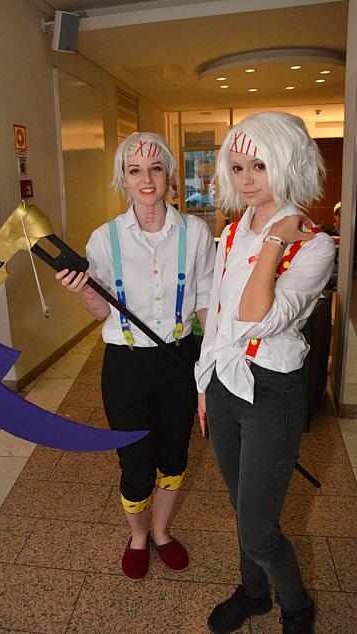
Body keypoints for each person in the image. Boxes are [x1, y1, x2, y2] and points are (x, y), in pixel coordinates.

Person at [196, 112, 335, 634]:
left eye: (260, 165)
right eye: (237, 168)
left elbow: (255, 315)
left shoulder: (313, 244)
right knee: (242, 507)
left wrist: (275, 240)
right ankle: (253, 593)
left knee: (258, 529)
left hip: (272, 388)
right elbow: (219, 315)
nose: (247, 179)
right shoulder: (232, 232)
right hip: (223, 383)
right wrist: (203, 384)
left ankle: (296, 605)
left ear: (288, 163)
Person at [56, 131, 216, 580]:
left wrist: (213, 358)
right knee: (135, 464)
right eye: (135, 170)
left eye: (155, 168)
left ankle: (161, 531)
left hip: (180, 359)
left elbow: (207, 299)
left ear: (169, 175)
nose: (146, 179)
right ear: (123, 179)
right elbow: (100, 310)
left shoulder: (195, 232)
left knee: (175, 454)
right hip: (125, 364)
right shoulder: (104, 238)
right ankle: (139, 535)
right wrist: (86, 290)